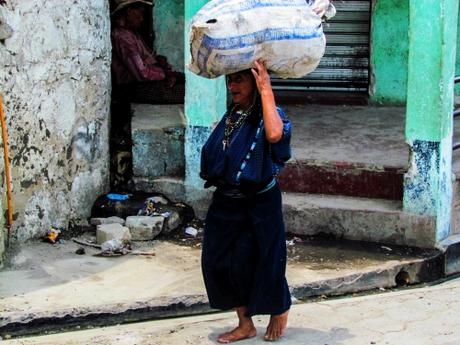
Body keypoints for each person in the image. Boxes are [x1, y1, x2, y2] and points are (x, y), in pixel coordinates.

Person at [200, 59, 292, 343]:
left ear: (254, 81)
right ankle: (246, 324)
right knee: (218, 262)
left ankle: (279, 306)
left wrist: (266, 89)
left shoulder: (269, 113)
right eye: (231, 80)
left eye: (240, 79)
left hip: (260, 202)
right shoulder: (233, 115)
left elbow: (275, 135)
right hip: (226, 201)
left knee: (264, 258)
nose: (233, 85)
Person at [111, 0, 184, 104]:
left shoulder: (132, 33)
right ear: (129, 11)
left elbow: (147, 59)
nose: (142, 18)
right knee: (188, 92)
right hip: (133, 87)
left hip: (143, 83)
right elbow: (141, 73)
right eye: (140, 12)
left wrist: (159, 61)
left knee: (187, 80)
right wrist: (165, 75)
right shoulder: (122, 37)